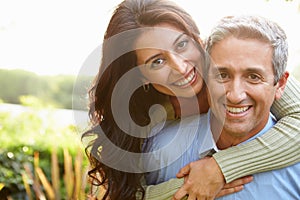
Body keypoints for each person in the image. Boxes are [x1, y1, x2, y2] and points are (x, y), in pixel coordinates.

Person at [81, 0, 300, 199]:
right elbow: (121, 195)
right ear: (141, 76)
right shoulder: (143, 124)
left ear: (199, 41)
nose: (181, 67)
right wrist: (187, 186)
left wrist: (221, 168)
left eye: (181, 45)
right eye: (157, 61)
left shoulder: (236, 59)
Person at [145, 14, 300, 200]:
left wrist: (221, 167)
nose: (235, 95)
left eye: (253, 77)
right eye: (222, 74)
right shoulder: (158, 148)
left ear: (280, 84)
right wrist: (182, 189)